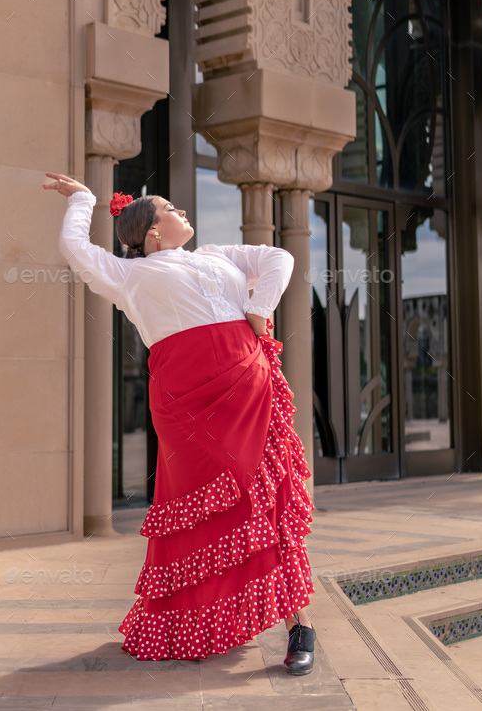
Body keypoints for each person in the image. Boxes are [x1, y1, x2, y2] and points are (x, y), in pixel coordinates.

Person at [44, 171, 316, 674]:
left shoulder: (216, 254)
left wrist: (258, 309)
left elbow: (281, 257)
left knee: (264, 500)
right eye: (170, 208)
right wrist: (83, 198)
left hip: (248, 389)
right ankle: (194, 620)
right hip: (188, 406)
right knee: (206, 510)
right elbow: (75, 249)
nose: (182, 212)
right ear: (151, 231)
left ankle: (298, 624)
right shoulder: (128, 276)